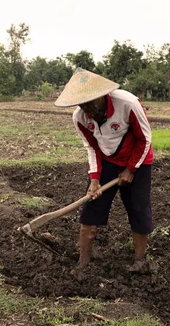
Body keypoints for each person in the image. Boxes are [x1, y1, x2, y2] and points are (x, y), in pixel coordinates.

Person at [54, 68, 154, 273]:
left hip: (138, 160)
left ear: (102, 95)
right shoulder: (80, 117)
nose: (88, 109)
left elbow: (145, 139)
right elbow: (92, 148)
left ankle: (140, 261)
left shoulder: (128, 103)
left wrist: (131, 169)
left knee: (138, 210)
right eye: (82, 104)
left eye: (91, 102)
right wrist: (94, 179)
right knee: (91, 209)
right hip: (108, 161)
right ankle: (82, 263)